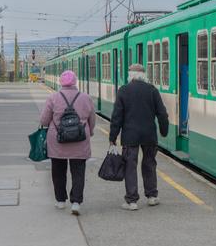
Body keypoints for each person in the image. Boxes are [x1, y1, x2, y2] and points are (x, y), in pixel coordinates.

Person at [109, 63, 169, 211]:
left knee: (130, 166)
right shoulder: (152, 90)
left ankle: (132, 201)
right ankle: (152, 196)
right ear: (143, 75)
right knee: (149, 164)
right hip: (149, 135)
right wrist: (164, 131)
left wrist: (113, 137)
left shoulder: (124, 90)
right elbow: (162, 113)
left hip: (130, 135)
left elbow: (117, 116)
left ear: (130, 75)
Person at [39, 70, 96, 215]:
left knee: (58, 171)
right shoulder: (86, 98)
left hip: (57, 141)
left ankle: (60, 201)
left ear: (61, 82)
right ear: (75, 81)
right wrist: (90, 131)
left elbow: (44, 121)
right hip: (80, 140)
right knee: (78, 172)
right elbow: (92, 119)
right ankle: (76, 202)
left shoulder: (53, 98)